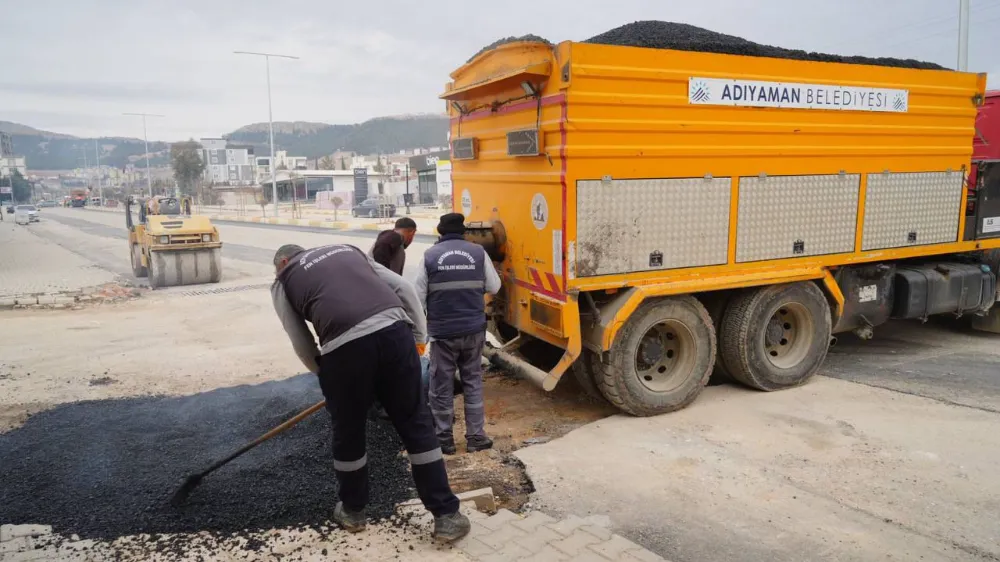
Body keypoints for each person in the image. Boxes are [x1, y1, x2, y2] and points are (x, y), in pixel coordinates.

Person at [270, 243, 470, 542]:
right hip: (394, 332)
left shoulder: (284, 280)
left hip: (344, 348)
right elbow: (403, 287)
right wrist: (417, 337)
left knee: (349, 432)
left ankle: (353, 511)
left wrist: (327, 376)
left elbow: (301, 341)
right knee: (415, 422)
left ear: (283, 261)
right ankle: (446, 516)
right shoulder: (348, 250)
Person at [415, 213, 501, 455]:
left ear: (440, 232)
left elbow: (417, 295)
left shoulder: (430, 256)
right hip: (473, 330)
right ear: (464, 232)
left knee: (441, 385)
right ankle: (476, 437)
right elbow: (494, 287)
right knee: (472, 382)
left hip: (443, 333)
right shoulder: (477, 253)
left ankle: (444, 439)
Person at [367, 217, 418, 421]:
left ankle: (378, 402)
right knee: (385, 356)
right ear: (411, 232)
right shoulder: (393, 238)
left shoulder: (390, 240)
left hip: (378, 303)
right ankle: (379, 404)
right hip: (379, 306)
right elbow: (381, 269)